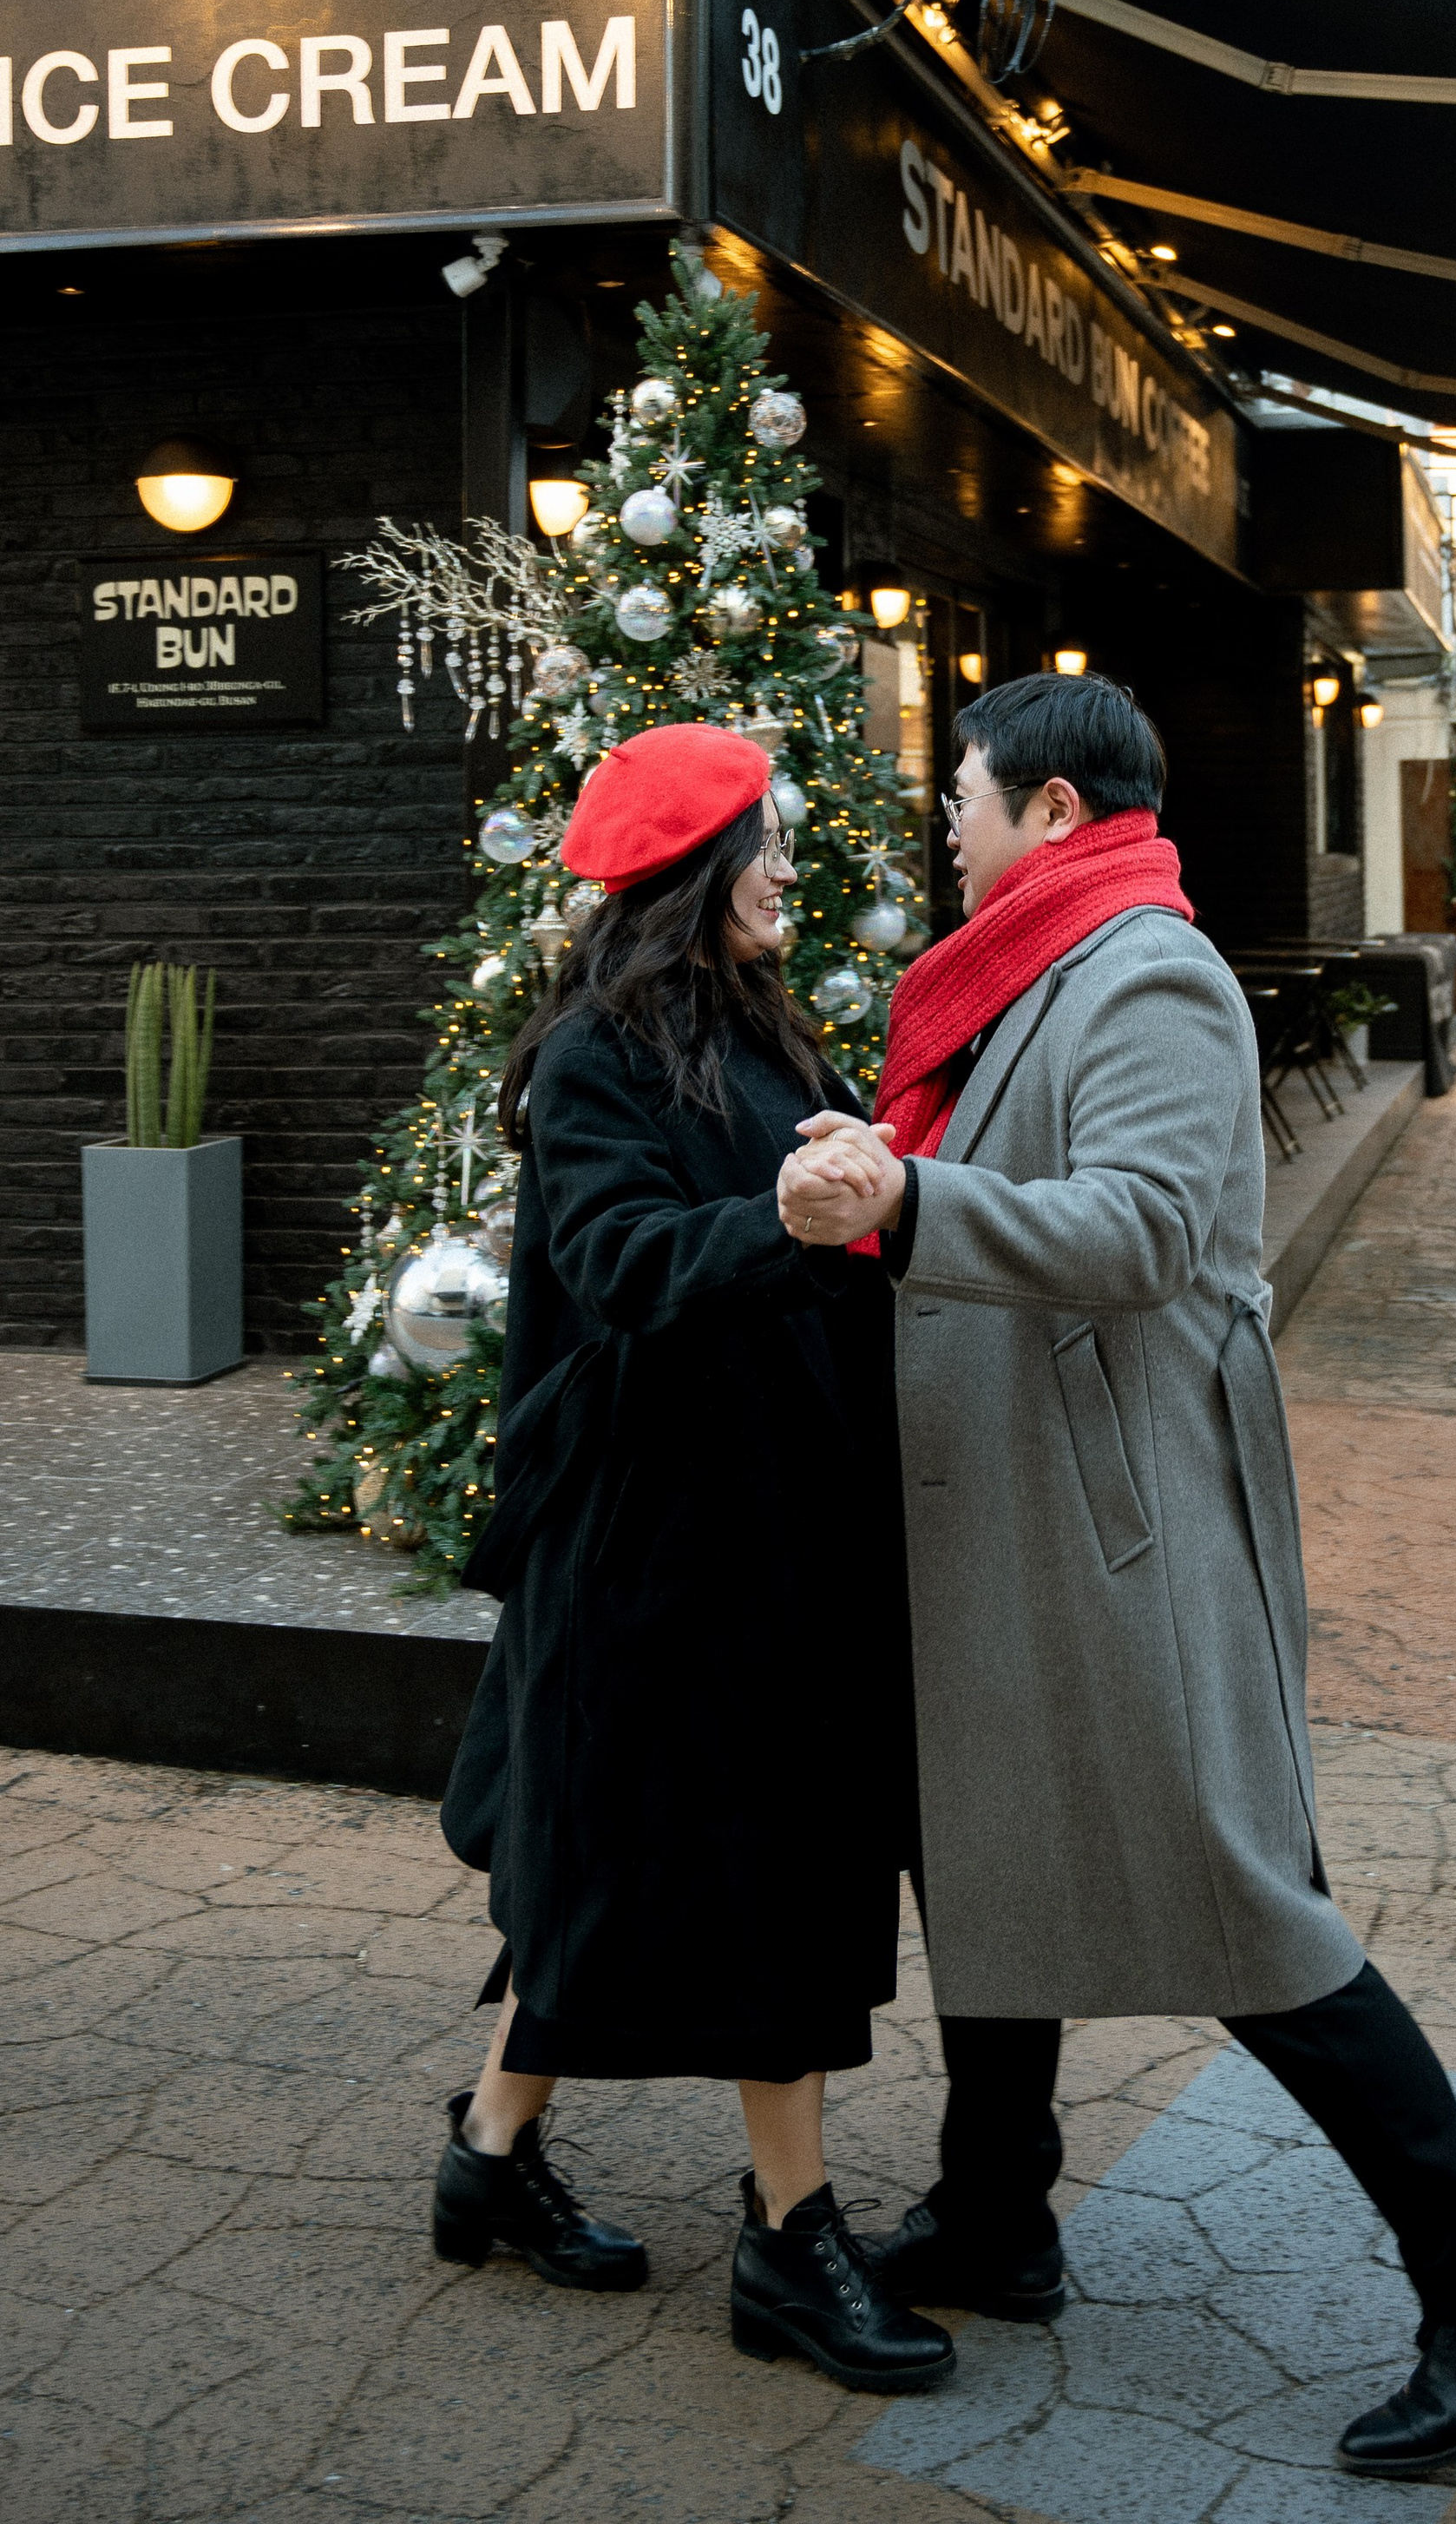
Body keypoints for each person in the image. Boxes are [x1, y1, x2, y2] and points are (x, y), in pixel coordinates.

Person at [777, 672, 1456, 2480]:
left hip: (1110, 1522)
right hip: (1027, 1510)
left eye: (969, 792)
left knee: (1240, 1903)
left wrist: (904, 1206)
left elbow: (1149, 1227)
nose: (947, 817)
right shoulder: (1034, 963)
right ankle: (997, 2214)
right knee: (992, 1830)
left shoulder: (1140, 966)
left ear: (1053, 812)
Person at [433, 724, 953, 2395]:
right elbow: (619, 1257)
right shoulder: (597, 1057)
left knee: (625, 1862)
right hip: (661, 1541)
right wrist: (791, 1221)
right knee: (761, 1872)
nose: (795, 868)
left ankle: (492, 2158)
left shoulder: (761, 1031)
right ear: (693, 875)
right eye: (770, 843)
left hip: (762, 1516)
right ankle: (792, 2241)